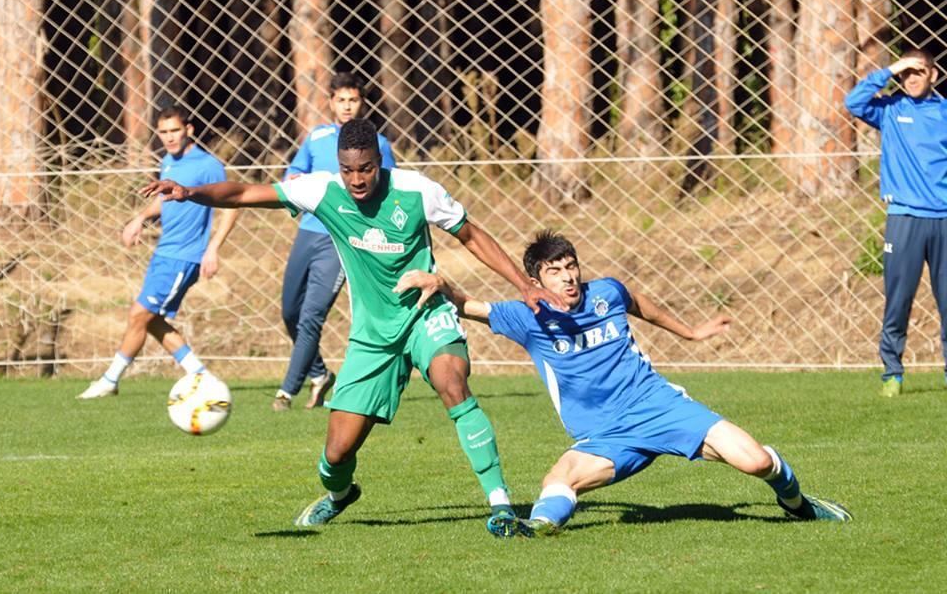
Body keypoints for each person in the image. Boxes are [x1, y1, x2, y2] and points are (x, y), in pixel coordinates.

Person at [141, 118, 565, 536]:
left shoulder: (417, 191)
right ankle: (340, 495)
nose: (357, 179)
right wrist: (191, 193)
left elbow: (471, 235)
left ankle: (500, 505)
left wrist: (524, 285)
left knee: (452, 382)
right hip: (372, 337)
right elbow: (245, 192)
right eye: (348, 170)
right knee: (336, 454)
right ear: (338, 164)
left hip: (425, 314)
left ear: (379, 161)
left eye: (366, 169)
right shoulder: (322, 190)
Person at [395, 230, 852, 536]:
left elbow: (641, 305)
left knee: (755, 461)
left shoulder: (606, 293)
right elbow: (468, 305)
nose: (569, 276)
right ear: (535, 280)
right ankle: (536, 529)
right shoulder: (526, 317)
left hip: (659, 407)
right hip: (605, 435)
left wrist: (691, 333)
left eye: (571, 265)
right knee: (559, 479)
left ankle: (798, 504)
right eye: (555, 270)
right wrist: (441, 282)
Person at [77, 105, 239, 399]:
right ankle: (201, 375)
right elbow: (164, 199)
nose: (169, 137)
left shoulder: (207, 165)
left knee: (139, 314)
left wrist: (213, 248)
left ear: (189, 130)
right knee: (150, 319)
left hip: (184, 256)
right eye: (163, 132)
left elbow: (232, 206)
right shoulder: (167, 162)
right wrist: (140, 218)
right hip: (164, 252)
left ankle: (109, 380)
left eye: (175, 130)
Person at [273, 72, 397, 412]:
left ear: (362, 103)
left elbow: (390, 189)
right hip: (308, 232)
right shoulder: (317, 137)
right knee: (290, 312)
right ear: (331, 102)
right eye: (341, 100)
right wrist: (293, 180)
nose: (347, 106)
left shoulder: (379, 145)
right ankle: (319, 374)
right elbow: (292, 174)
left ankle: (286, 392)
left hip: (342, 240)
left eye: (353, 100)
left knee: (311, 315)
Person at [845, 48, 947, 397]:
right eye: (906, 74)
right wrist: (890, 69)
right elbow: (853, 102)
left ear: (933, 75)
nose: (911, 79)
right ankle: (893, 372)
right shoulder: (891, 110)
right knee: (898, 300)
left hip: (944, 219)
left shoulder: (943, 112)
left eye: (918, 72)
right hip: (904, 219)